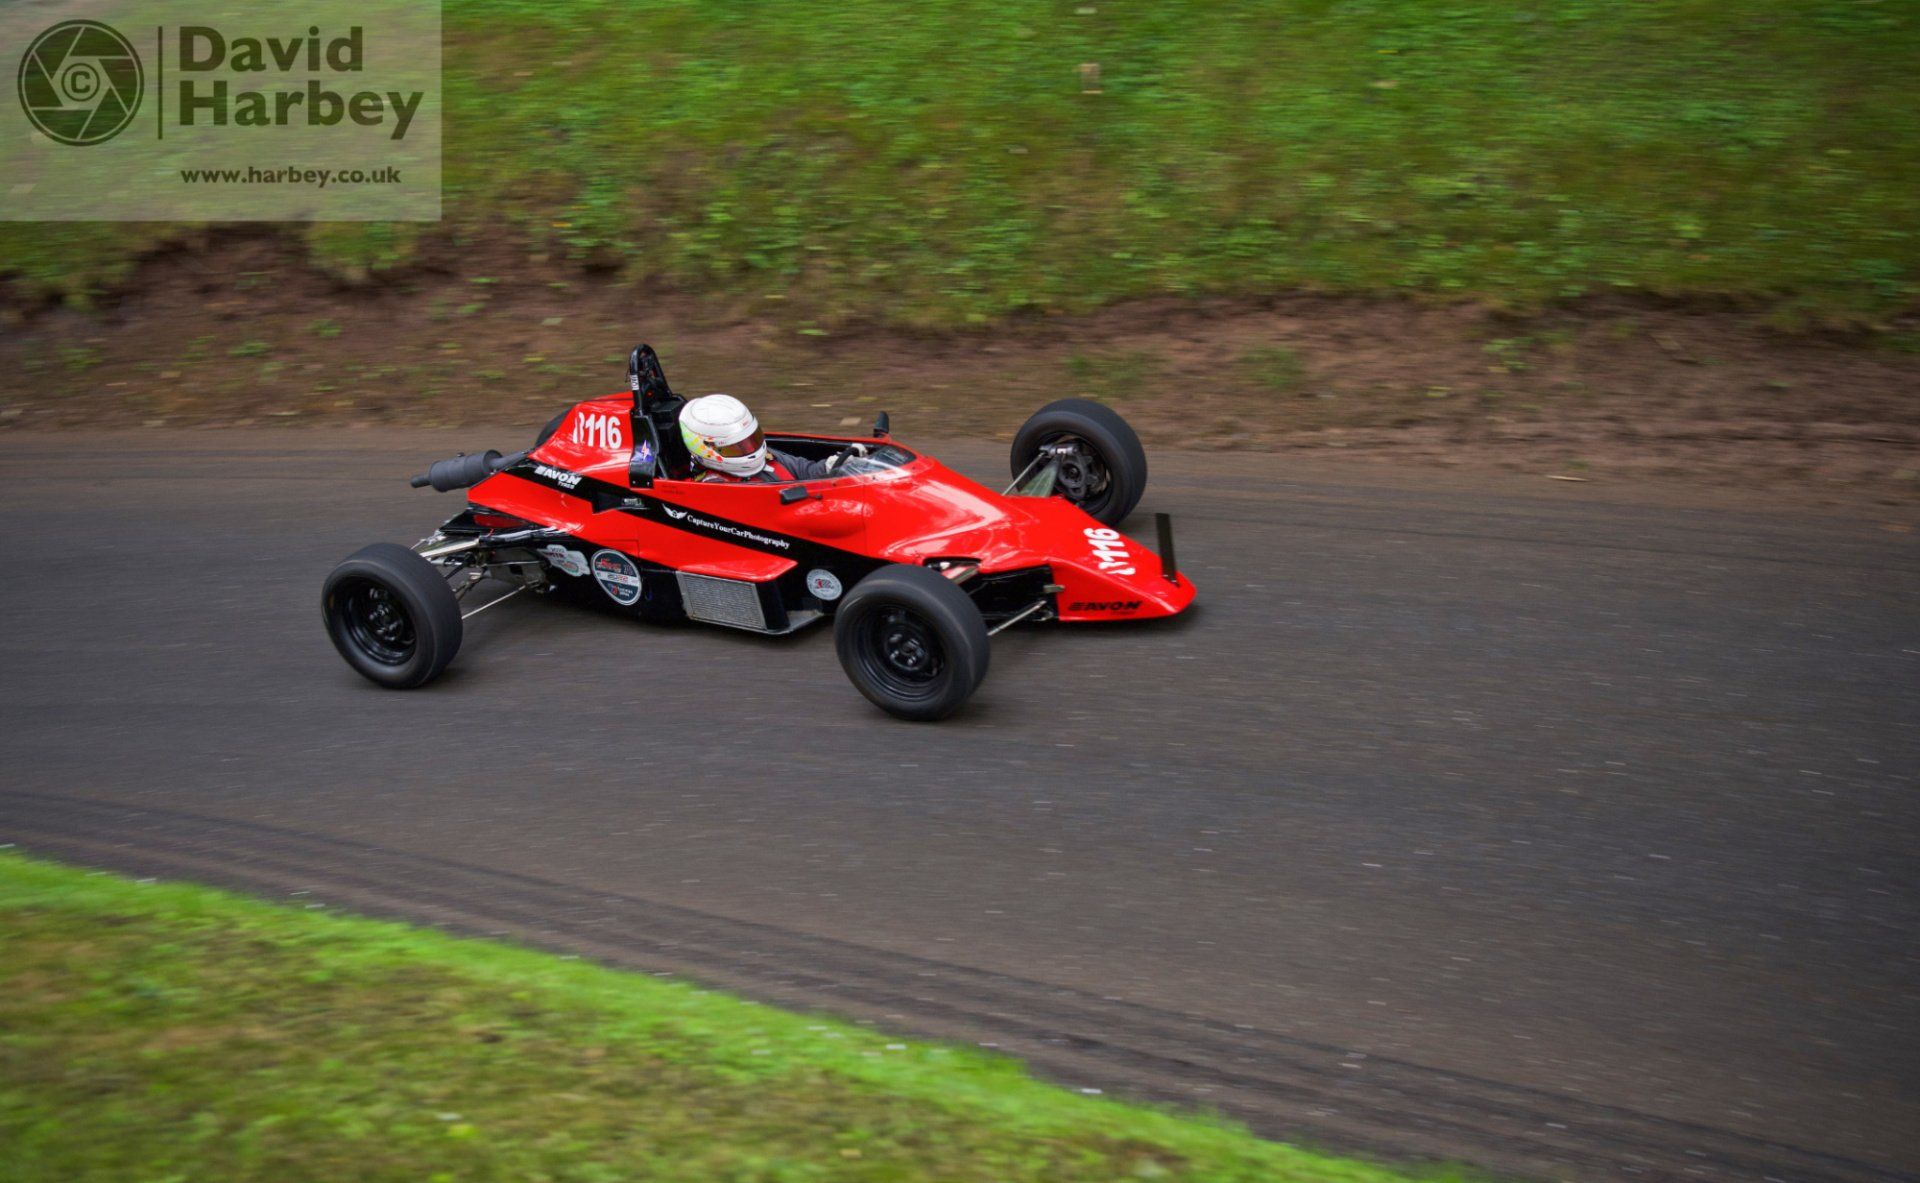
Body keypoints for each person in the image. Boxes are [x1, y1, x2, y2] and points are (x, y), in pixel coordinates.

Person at [678, 393, 845, 482]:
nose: (751, 450)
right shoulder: (715, 488)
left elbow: (808, 472)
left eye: (751, 439)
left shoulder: (765, 456)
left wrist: (836, 465)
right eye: (737, 446)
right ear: (707, 450)